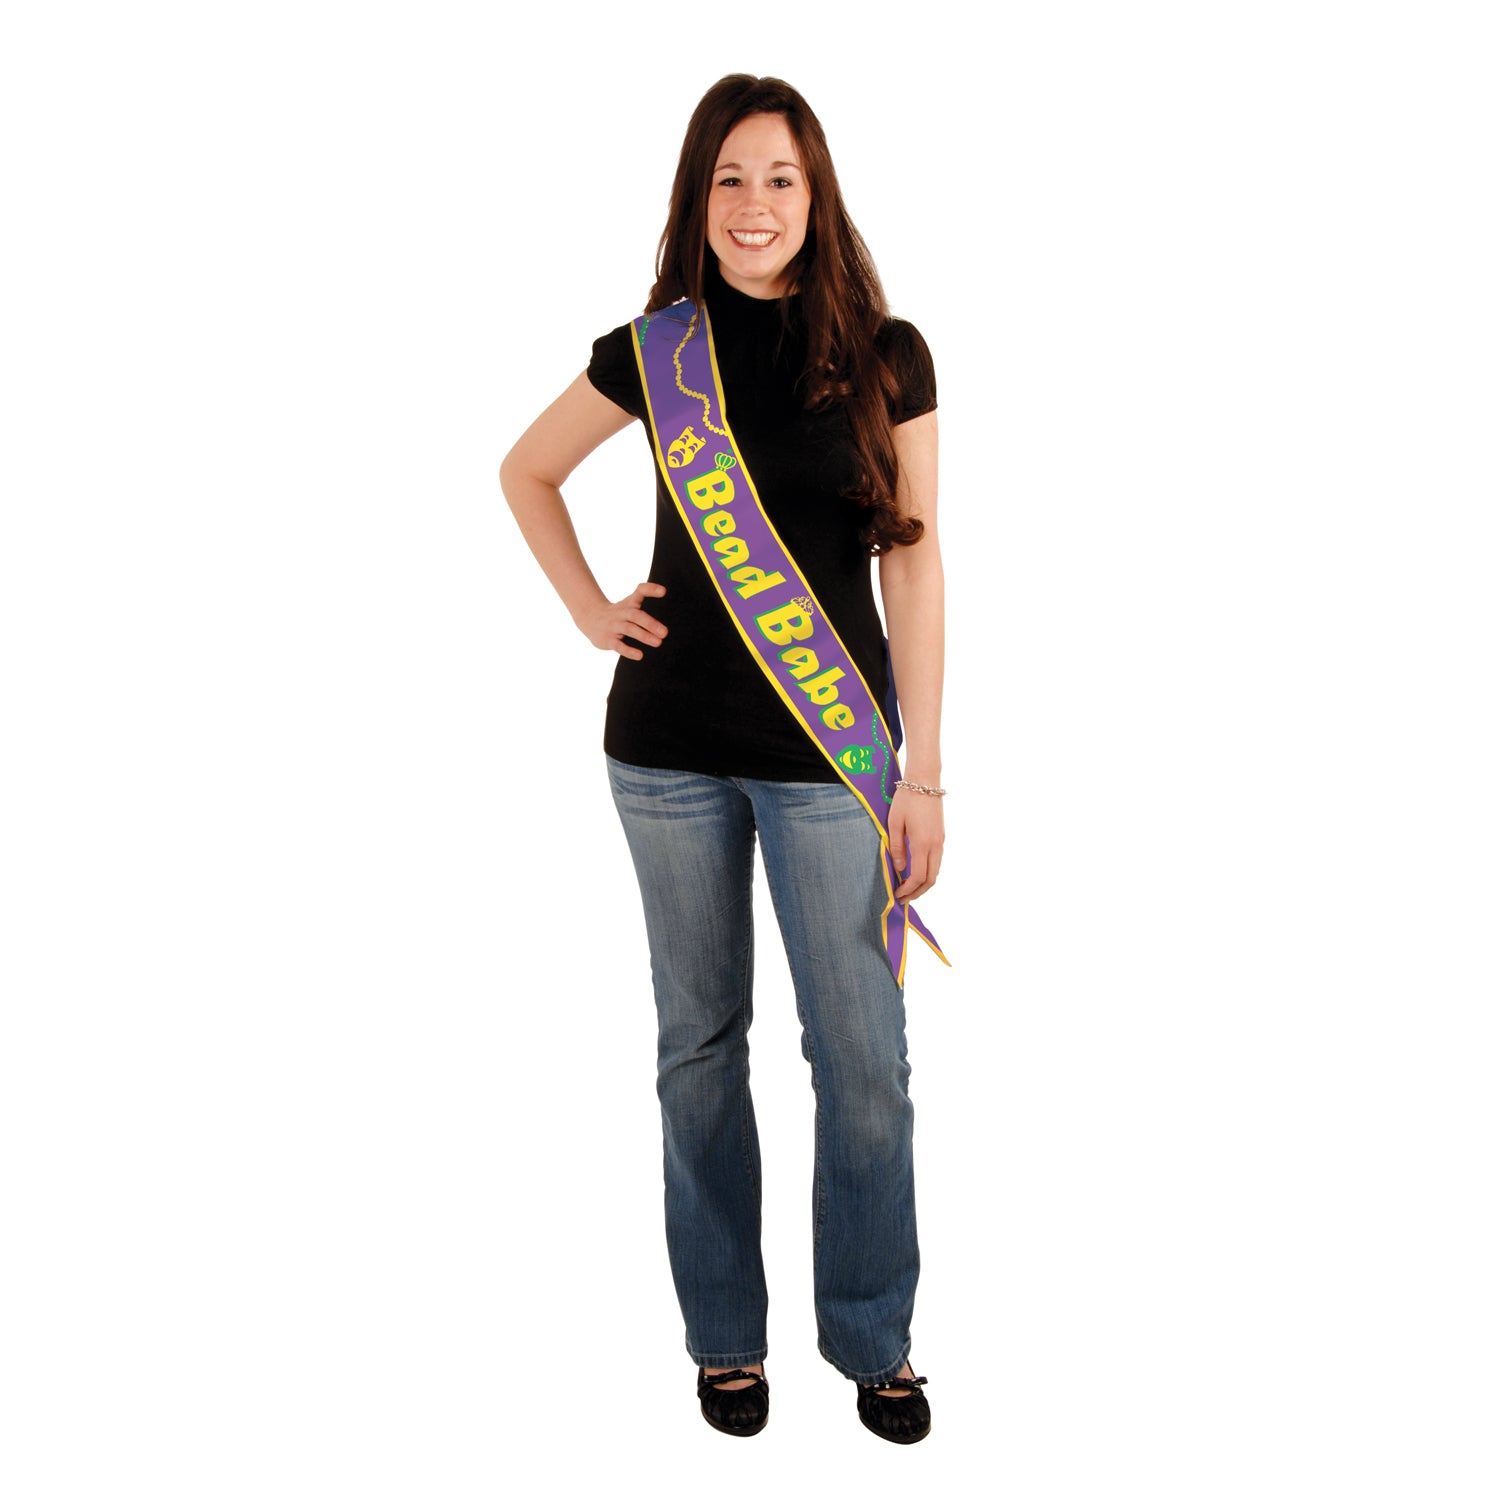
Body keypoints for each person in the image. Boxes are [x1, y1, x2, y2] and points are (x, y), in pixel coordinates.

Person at [499, 74, 945, 1444]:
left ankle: (872, 1337)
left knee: (862, 1060)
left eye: (781, 179)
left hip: (831, 758)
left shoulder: (886, 354)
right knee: (697, 1048)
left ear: (818, 195)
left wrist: (925, 773)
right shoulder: (657, 352)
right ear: (699, 197)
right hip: (668, 754)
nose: (756, 205)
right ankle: (725, 1341)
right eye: (730, 179)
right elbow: (525, 471)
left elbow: (917, 567)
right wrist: (590, 610)